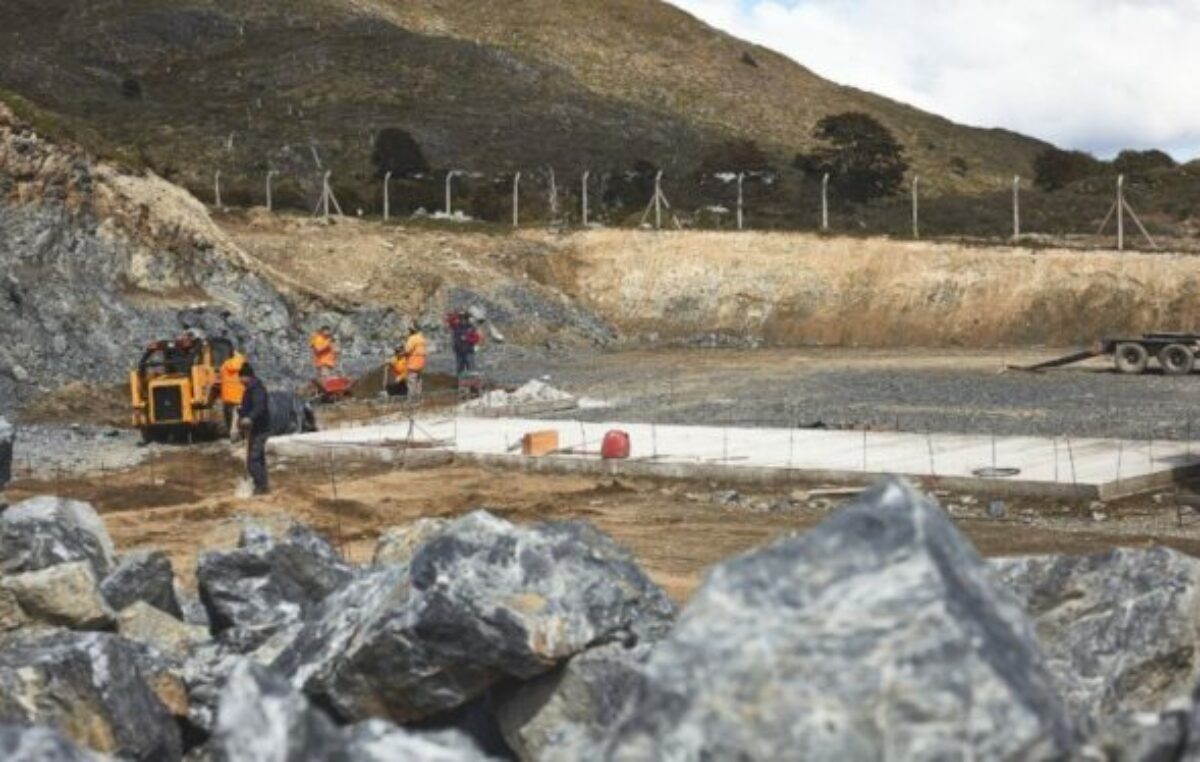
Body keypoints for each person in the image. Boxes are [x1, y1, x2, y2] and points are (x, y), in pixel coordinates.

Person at [237, 363, 271, 496]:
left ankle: (261, 486)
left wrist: (249, 417)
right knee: (258, 459)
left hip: (260, 429)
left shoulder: (257, 389)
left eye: (241, 378)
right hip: (252, 429)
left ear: (247, 377)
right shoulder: (249, 389)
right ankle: (262, 485)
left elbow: (260, 407)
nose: (239, 381)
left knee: (253, 460)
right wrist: (241, 412)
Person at [218, 345, 247, 434]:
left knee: (229, 413)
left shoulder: (225, 364)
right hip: (238, 394)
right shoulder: (242, 363)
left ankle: (231, 429)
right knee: (238, 413)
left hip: (227, 394)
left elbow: (220, 375)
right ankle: (236, 431)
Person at [404, 325, 427, 400]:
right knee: (419, 380)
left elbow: (407, 350)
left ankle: (411, 399)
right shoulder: (422, 338)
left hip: (413, 362)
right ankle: (419, 397)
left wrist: (402, 353)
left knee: (412, 381)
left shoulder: (412, 338)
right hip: (421, 362)